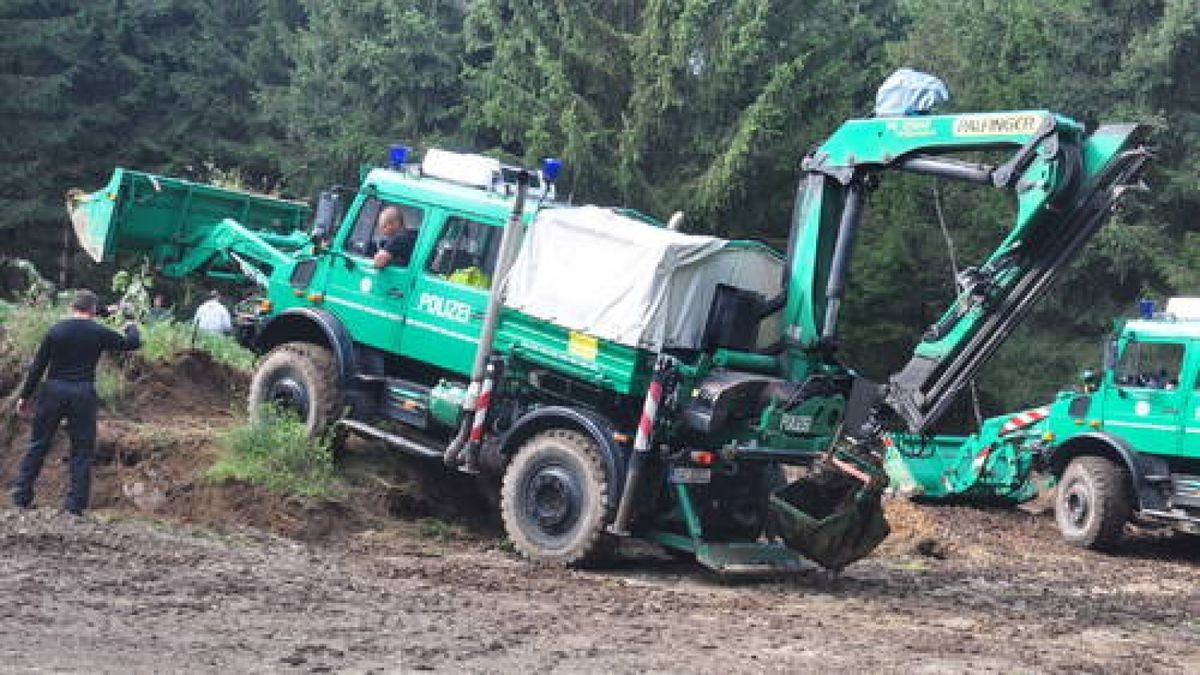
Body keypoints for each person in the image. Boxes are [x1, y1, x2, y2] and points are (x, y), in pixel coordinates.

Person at [11, 289, 141, 515]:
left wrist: (25, 395)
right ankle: (75, 505)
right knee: (82, 449)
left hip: (53, 390)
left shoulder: (56, 330)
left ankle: (21, 496)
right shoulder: (99, 332)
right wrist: (131, 324)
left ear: (72, 307)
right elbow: (131, 343)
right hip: (82, 393)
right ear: (93, 310)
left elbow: (37, 368)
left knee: (38, 443)